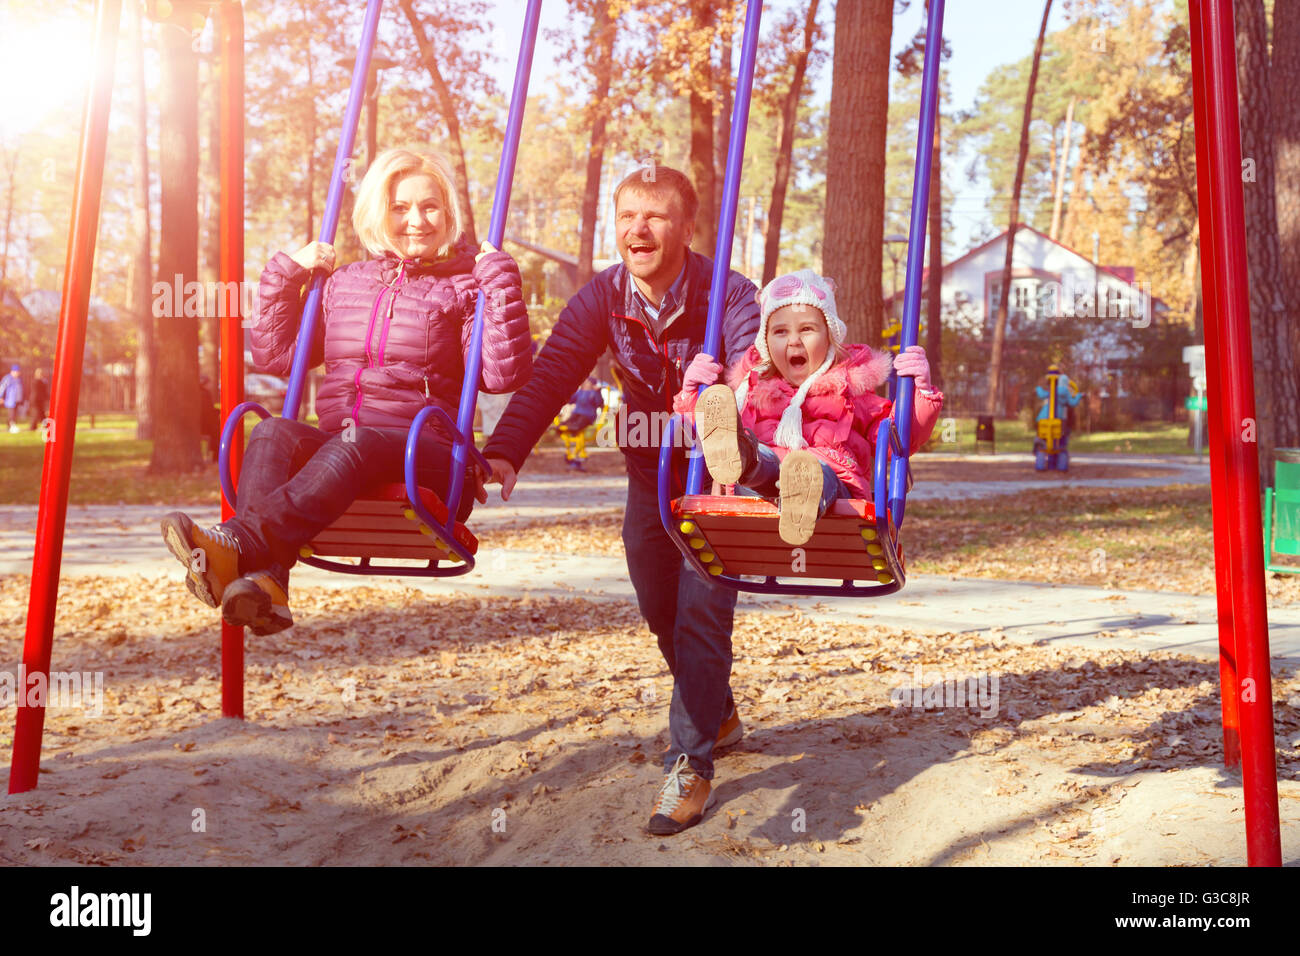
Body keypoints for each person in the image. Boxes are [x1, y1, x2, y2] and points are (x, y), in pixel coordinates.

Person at [483, 165, 759, 836]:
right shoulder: (603, 297)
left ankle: (690, 763)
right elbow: (552, 376)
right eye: (629, 214)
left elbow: (758, 374)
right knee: (658, 608)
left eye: (656, 215)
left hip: (715, 480)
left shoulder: (729, 292)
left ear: (687, 229)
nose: (639, 228)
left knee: (700, 610)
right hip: (649, 477)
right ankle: (716, 711)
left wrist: (726, 398)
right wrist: (506, 451)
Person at [160, 147, 531, 634]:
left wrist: (501, 286)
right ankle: (268, 586)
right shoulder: (343, 283)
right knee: (273, 432)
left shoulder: (467, 288)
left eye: (430, 205)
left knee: (358, 441)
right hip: (345, 447)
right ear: (379, 211)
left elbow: (501, 375)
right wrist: (283, 275)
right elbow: (276, 359)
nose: (416, 220)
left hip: (429, 454)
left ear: (449, 213)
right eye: (400, 207)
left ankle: (238, 542)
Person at [678, 269, 944, 545]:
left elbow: (896, 439)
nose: (793, 340)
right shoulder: (751, 392)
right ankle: (740, 457)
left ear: (829, 336)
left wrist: (920, 391)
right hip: (758, 492)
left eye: (806, 329)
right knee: (755, 453)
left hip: (835, 495)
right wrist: (690, 395)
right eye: (780, 331)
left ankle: (804, 492)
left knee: (814, 471)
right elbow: (699, 434)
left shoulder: (853, 391)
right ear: (766, 343)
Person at [555, 376, 604, 470]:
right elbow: (570, 400)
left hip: (588, 415)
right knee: (566, 423)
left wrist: (598, 392)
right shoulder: (580, 392)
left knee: (579, 423)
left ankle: (575, 428)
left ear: (592, 384)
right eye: (585, 382)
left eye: (588, 382)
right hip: (577, 413)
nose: (585, 383)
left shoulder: (593, 393)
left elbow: (599, 403)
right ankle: (565, 429)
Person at [1, 365, 22, 433]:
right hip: (10, 400)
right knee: (12, 414)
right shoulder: (8, 378)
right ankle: (12, 427)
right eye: (16, 372)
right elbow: (2, 388)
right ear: (12, 371)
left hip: (17, 400)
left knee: (14, 414)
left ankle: (9, 427)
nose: (18, 373)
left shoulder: (19, 379)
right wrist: (0, 397)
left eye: (18, 372)